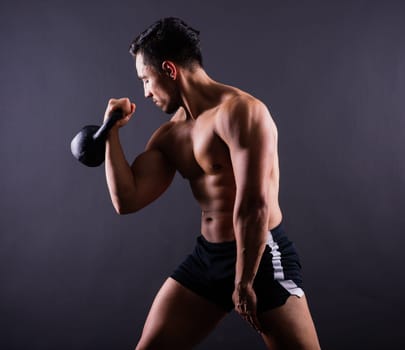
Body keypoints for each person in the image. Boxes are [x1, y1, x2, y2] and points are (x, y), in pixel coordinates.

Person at [103, 17, 321, 350]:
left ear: (170, 70)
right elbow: (127, 200)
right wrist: (110, 134)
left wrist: (244, 280)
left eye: (146, 79)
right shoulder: (170, 135)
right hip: (208, 259)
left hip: (259, 257)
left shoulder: (242, 113)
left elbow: (254, 203)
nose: (145, 92)